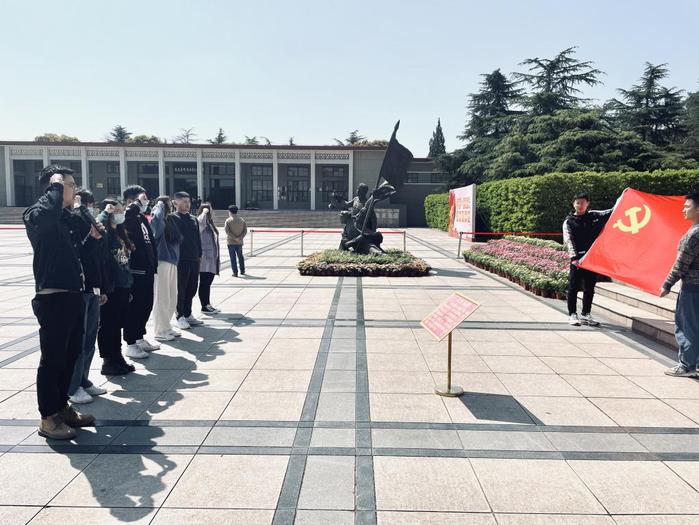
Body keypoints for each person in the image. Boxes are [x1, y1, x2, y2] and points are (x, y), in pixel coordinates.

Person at [23, 165, 95, 439]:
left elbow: (85, 244)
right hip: (52, 297)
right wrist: (55, 185)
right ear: (52, 186)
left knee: (71, 354)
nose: (74, 189)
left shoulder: (65, 218)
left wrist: (94, 234)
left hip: (74, 293)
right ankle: (48, 418)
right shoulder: (36, 213)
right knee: (52, 358)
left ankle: (61, 406)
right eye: (69, 185)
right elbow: (46, 217)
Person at [68, 190, 111, 404]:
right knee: (78, 341)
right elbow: (79, 254)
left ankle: (83, 379)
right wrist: (79, 213)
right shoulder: (71, 224)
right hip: (79, 289)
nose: (89, 209)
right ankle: (72, 386)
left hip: (93, 288)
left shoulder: (89, 225)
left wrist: (100, 288)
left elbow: (97, 258)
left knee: (89, 340)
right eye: (86, 205)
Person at [661, 189, 699, 377]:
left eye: (687, 206)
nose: (683, 210)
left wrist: (667, 284)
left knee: (687, 327)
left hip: (692, 288)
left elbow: (682, 263)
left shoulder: (694, 234)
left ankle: (686, 366)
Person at [97, 200, 137, 376]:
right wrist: (105, 213)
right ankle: (108, 361)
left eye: (122, 210)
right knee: (108, 324)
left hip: (123, 284)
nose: (121, 214)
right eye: (116, 211)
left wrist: (129, 286)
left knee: (118, 323)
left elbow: (125, 261)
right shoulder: (105, 233)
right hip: (110, 285)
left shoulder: (119, 233)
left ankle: (117, 357)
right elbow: (98, 227)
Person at [562, 192, 613, 327]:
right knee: (573, 287)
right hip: (577, 260)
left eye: (583, 202)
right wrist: (574, 258)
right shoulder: (569, 221)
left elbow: (612, 211)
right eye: (577, 202)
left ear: (588, 204)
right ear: (573, 204)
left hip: (592, 259)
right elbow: (568, 240)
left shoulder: (594, 215)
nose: (580, 205)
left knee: (590, 288)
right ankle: (572, 314)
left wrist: (624, 195)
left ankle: (586, 313)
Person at [122, 185, 159, 359]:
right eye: (142, 199)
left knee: (146, 305)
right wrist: (135, 205)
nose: (145, 202)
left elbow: (149, 241)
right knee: (135, 308)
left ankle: (139, 337)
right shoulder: (128, 217)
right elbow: (128, 216)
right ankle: (130, 343)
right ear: (131, 201)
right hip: (136, 271)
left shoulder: (142, 218)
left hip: (148, 269)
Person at [150, 196, 183, 341]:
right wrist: (159, 206)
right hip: (162, 260)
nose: (171, 204)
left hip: (172, 261)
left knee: (172, 296)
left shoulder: (170, 219)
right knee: (162, 296)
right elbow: (156, 230)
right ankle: (160, 330)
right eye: (168, 203)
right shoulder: (157, 217)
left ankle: (166, 325)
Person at [172, 191, 203, 329]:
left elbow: (197, 238)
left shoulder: (193, 219)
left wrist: (200, 254)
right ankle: (180, 316)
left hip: (194, 258)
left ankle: (188, 313)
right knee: (181, 288)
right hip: (180, 260)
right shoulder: (172, 218)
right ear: (175, 203)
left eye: (188, 201)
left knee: (192, 288)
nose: (187, 204)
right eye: (184, 201)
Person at [198, 202, 221, 314]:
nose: (210, 211)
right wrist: (204, 212)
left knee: (208, 283)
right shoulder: (201, 223)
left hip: (212, 258)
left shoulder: (209, 223)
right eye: (209, 210)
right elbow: (200, 222)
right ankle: (204, 306)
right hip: (205, 259)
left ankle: (207, 304)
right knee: (204, 283)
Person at [224, 204, 247, 277]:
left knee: (233, 258)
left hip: (231, 242)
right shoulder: (242, 220)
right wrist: (240, 237)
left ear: (230, 211)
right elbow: (245, 230)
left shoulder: (228, 220)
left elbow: (227, 231)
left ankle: (235, 272)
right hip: (239, 242)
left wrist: (234, 238)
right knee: (240, 256)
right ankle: (242, 270)